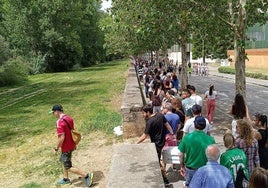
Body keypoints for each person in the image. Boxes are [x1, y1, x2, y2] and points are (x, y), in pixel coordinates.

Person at [49, 104, 93, 187]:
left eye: (53, 112)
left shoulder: (59, 122)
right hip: (72, 143)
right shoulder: (69, 118)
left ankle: (86, 176)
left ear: (57, 111)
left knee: (68, 166)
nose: (53, 114)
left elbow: (62, 137)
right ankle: (66, 179)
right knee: (63, 160)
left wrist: (56, 148)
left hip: (66, 147)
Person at [136, 104, 176, 185]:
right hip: (162, 141)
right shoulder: (160, 115)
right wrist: (172, 133)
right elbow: (167, 125)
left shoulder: (149, 122)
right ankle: (164, 177)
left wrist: (136, 143)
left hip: (156, 144)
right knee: (158, 160)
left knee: (157, 162)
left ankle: (165, 179)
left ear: (148, 112)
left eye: (143, 113)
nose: (142, 115)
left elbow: (144, 136)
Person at [178, 116, 216, 187]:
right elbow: (214, 157)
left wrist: (182, 166)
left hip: (190, 169)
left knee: (189, 185)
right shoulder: (210, 140)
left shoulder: (187, 138)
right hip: (205, 169)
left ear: (195, 125)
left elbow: (181, 155)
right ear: (204, 126)